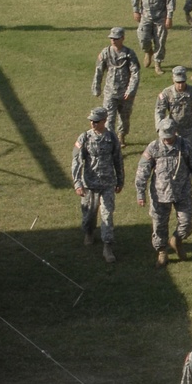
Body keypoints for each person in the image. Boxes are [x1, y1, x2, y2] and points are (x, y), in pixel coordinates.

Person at [136, 118, 192, 266]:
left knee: (186, 224)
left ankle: (177, 240)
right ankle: (162, 252)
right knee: (159, 225)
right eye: (164, 136)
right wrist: (140, 192)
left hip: (182, 193)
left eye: (169, 136)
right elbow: (143, 171)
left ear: (175, 132)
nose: (167, 139)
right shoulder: (153, 148)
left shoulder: (185, 146)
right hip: (160, 195)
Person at [71, 105, 124, 265]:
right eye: (91, 121)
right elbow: (76, 161)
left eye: (96, 121)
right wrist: (77, 183)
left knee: (107, 214)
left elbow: (118, 160)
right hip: (90, 184)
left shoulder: (112, 138)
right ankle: (88, 231)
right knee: (89, 214)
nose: (93, 124)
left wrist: (120, 180)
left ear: (104, 121)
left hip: (108, 183)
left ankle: (107, 246)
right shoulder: (84, 138)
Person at [91, 26, 140, 143]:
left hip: (125, 94)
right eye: (112, 38)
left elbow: (135, 73)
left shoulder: (129, 54)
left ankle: (122, 135)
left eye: (116, 38)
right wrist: (96, 88)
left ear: (122, 38)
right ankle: (112, 141)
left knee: (124, 118)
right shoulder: (106, 52)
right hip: (110, 92)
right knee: (108, 119)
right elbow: (99, 71)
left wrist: (130, 91)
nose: (113, 40)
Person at [132, 0, 177, 74]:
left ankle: (158, 63)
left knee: (160, 41)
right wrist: (135, 10)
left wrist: (169, 16)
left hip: (160, 16)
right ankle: (148, 51)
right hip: (145, 15)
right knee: (143, 38)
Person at [155, 65, 192, 154]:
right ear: (173, 80)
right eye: (178, 82)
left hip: (190, 130)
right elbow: (159, 111)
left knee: (190, 154)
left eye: (182, 82)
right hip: (172, 130)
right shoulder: (166, 93)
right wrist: (161, 128)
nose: (180, 85)